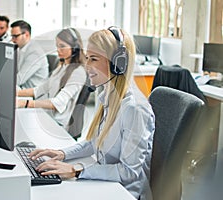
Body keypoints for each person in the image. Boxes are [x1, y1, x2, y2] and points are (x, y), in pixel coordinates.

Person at [28, 27, 155, 200]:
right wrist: (62, 154)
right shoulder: (106, 95)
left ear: (117, 64)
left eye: (93, 59)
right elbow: (94, 143)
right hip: (106, 183)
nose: (87, 66)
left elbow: (129, 172)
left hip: (125, 193)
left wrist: (76, 170)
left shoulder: (135, 109)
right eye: (87, 58)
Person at [16, 28, 87, 132]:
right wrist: (16, 93)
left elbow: (58, 103)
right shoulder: (62, 66)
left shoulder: (78, 72)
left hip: (56, 124)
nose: (58, 50)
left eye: (62, 46)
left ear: (75, 48)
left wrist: (24, 103)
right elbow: (40, 89)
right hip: (45, 115)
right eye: (57, 45)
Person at [11, 20, 49, 88]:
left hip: (33, 94)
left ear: (27, 35)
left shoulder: (35, 53)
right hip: (23, 88)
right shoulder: (21, 48)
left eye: (15, 36)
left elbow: (19, 80)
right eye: (12, 36)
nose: (13, 40)